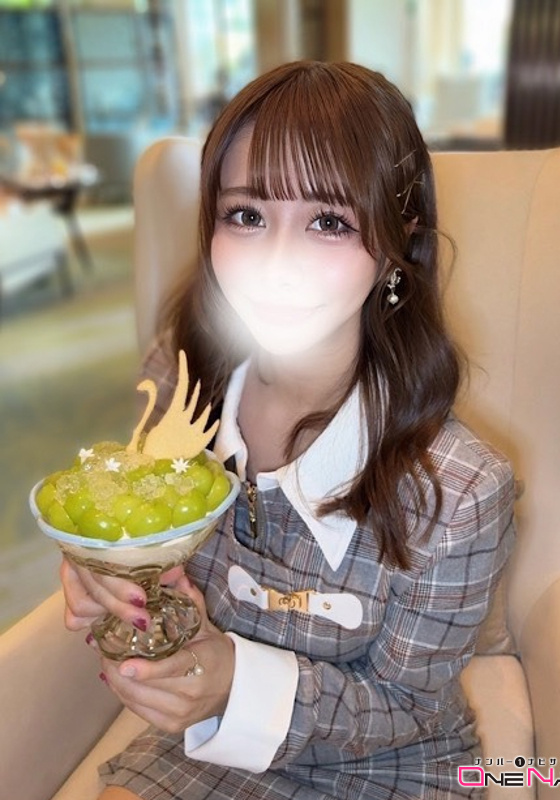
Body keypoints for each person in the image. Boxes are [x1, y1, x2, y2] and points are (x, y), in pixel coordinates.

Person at [61, 61, 516, 800]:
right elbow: (144, 531)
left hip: (390, 765)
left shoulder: (460, 491)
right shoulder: (179, 385)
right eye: (246, 215)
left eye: (329, 222)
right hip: (209, 744)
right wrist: (109, 568)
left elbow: (407, 707)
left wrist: (235, 682)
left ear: (398, 244)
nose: (275, 266)